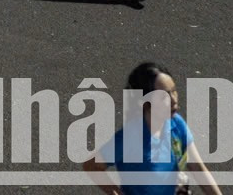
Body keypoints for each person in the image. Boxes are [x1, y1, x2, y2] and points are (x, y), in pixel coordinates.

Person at [80, 62, 224, 194]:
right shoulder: (129, 139)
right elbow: (91, 166)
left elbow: (198, 169)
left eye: (174, 91)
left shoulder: (176, 125)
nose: (173, 99)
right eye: (163, 96)